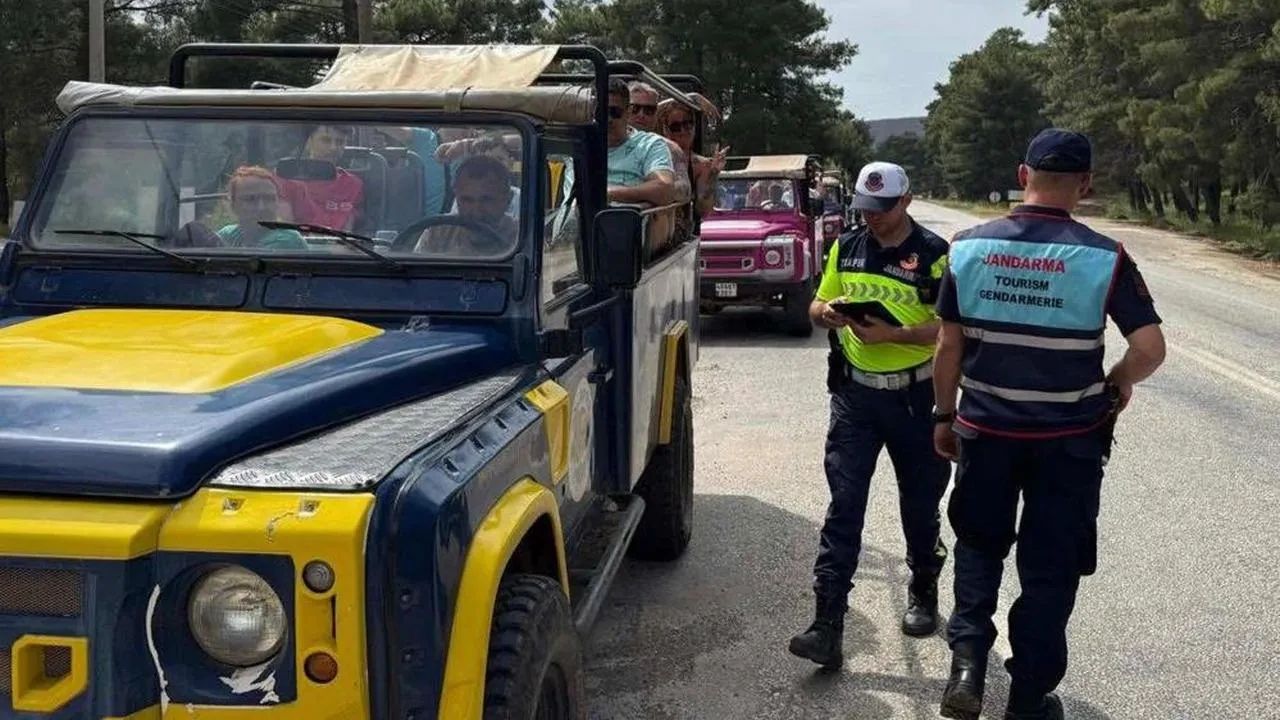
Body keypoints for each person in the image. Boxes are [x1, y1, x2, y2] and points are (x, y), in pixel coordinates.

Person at [932, 129, 1166, 720]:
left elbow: (946, 349)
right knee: (1050, 564)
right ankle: (1030, 696)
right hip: (1068, 442)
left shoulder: (966, 248)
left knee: (979, 547)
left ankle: (966, 668)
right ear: (1085, 185)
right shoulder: (1105, 256)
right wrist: (1116, 382)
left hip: (984, 432)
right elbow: (1150, 347)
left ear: (1022, 175)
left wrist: (944, 415)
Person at [787, 161, 953, 670]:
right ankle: (827, 623)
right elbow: (815, 306)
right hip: (855, 399)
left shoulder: (935, 256)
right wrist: (828, 314)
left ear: (906, 201)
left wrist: (894, 336)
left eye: (882, 209)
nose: (874, 218)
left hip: (916, 398)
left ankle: (923, 587)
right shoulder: (848, 245)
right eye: (866, 208)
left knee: (920, 504)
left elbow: (951, 331)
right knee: (844, 508)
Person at [414, 154, 519, 256]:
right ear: (456, 199)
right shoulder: (437, 234)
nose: (477, 213)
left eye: (487, 200)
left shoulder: (521, 239)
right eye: (467, 200)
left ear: (508, 200)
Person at [278, 124, 364, 231]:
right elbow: (286, 228)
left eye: (340, 142)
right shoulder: (286, 178)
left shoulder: (353, 184)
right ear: (308, 143)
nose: (333, 148)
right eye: (326, 140)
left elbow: (348, 228)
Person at [605, 78, 675, 206]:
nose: (608, 119)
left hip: (621, 220)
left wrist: (610, 193)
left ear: (627, 112)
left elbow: (666, 189)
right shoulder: (577, 141)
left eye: (614, 112)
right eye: (601, 112)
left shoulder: (653, 145)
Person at [215, 166, 307, 250]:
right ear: (233, 205)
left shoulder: (287, 239)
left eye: (269, 199)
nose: (261, 207)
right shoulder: (229, 234)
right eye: (250, 199)